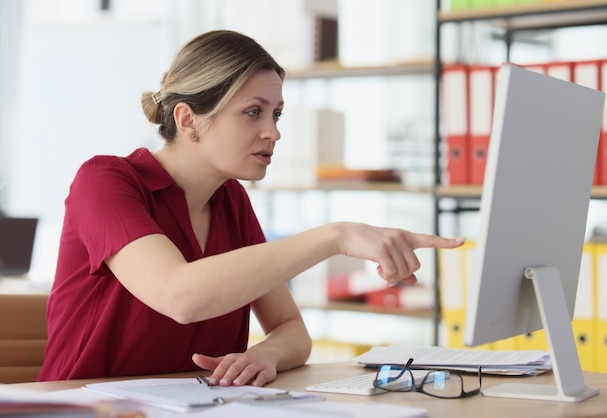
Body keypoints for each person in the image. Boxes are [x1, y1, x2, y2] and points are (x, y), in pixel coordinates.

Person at [38, 30, 464, 385]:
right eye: (253, 113)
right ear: (188, 121)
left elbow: (293, 331)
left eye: (276, 114)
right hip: (82, 407)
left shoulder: (230, 200)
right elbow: (180, 295)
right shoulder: (105, 182)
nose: (273, 132)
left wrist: (268, 354)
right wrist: (336, 236)